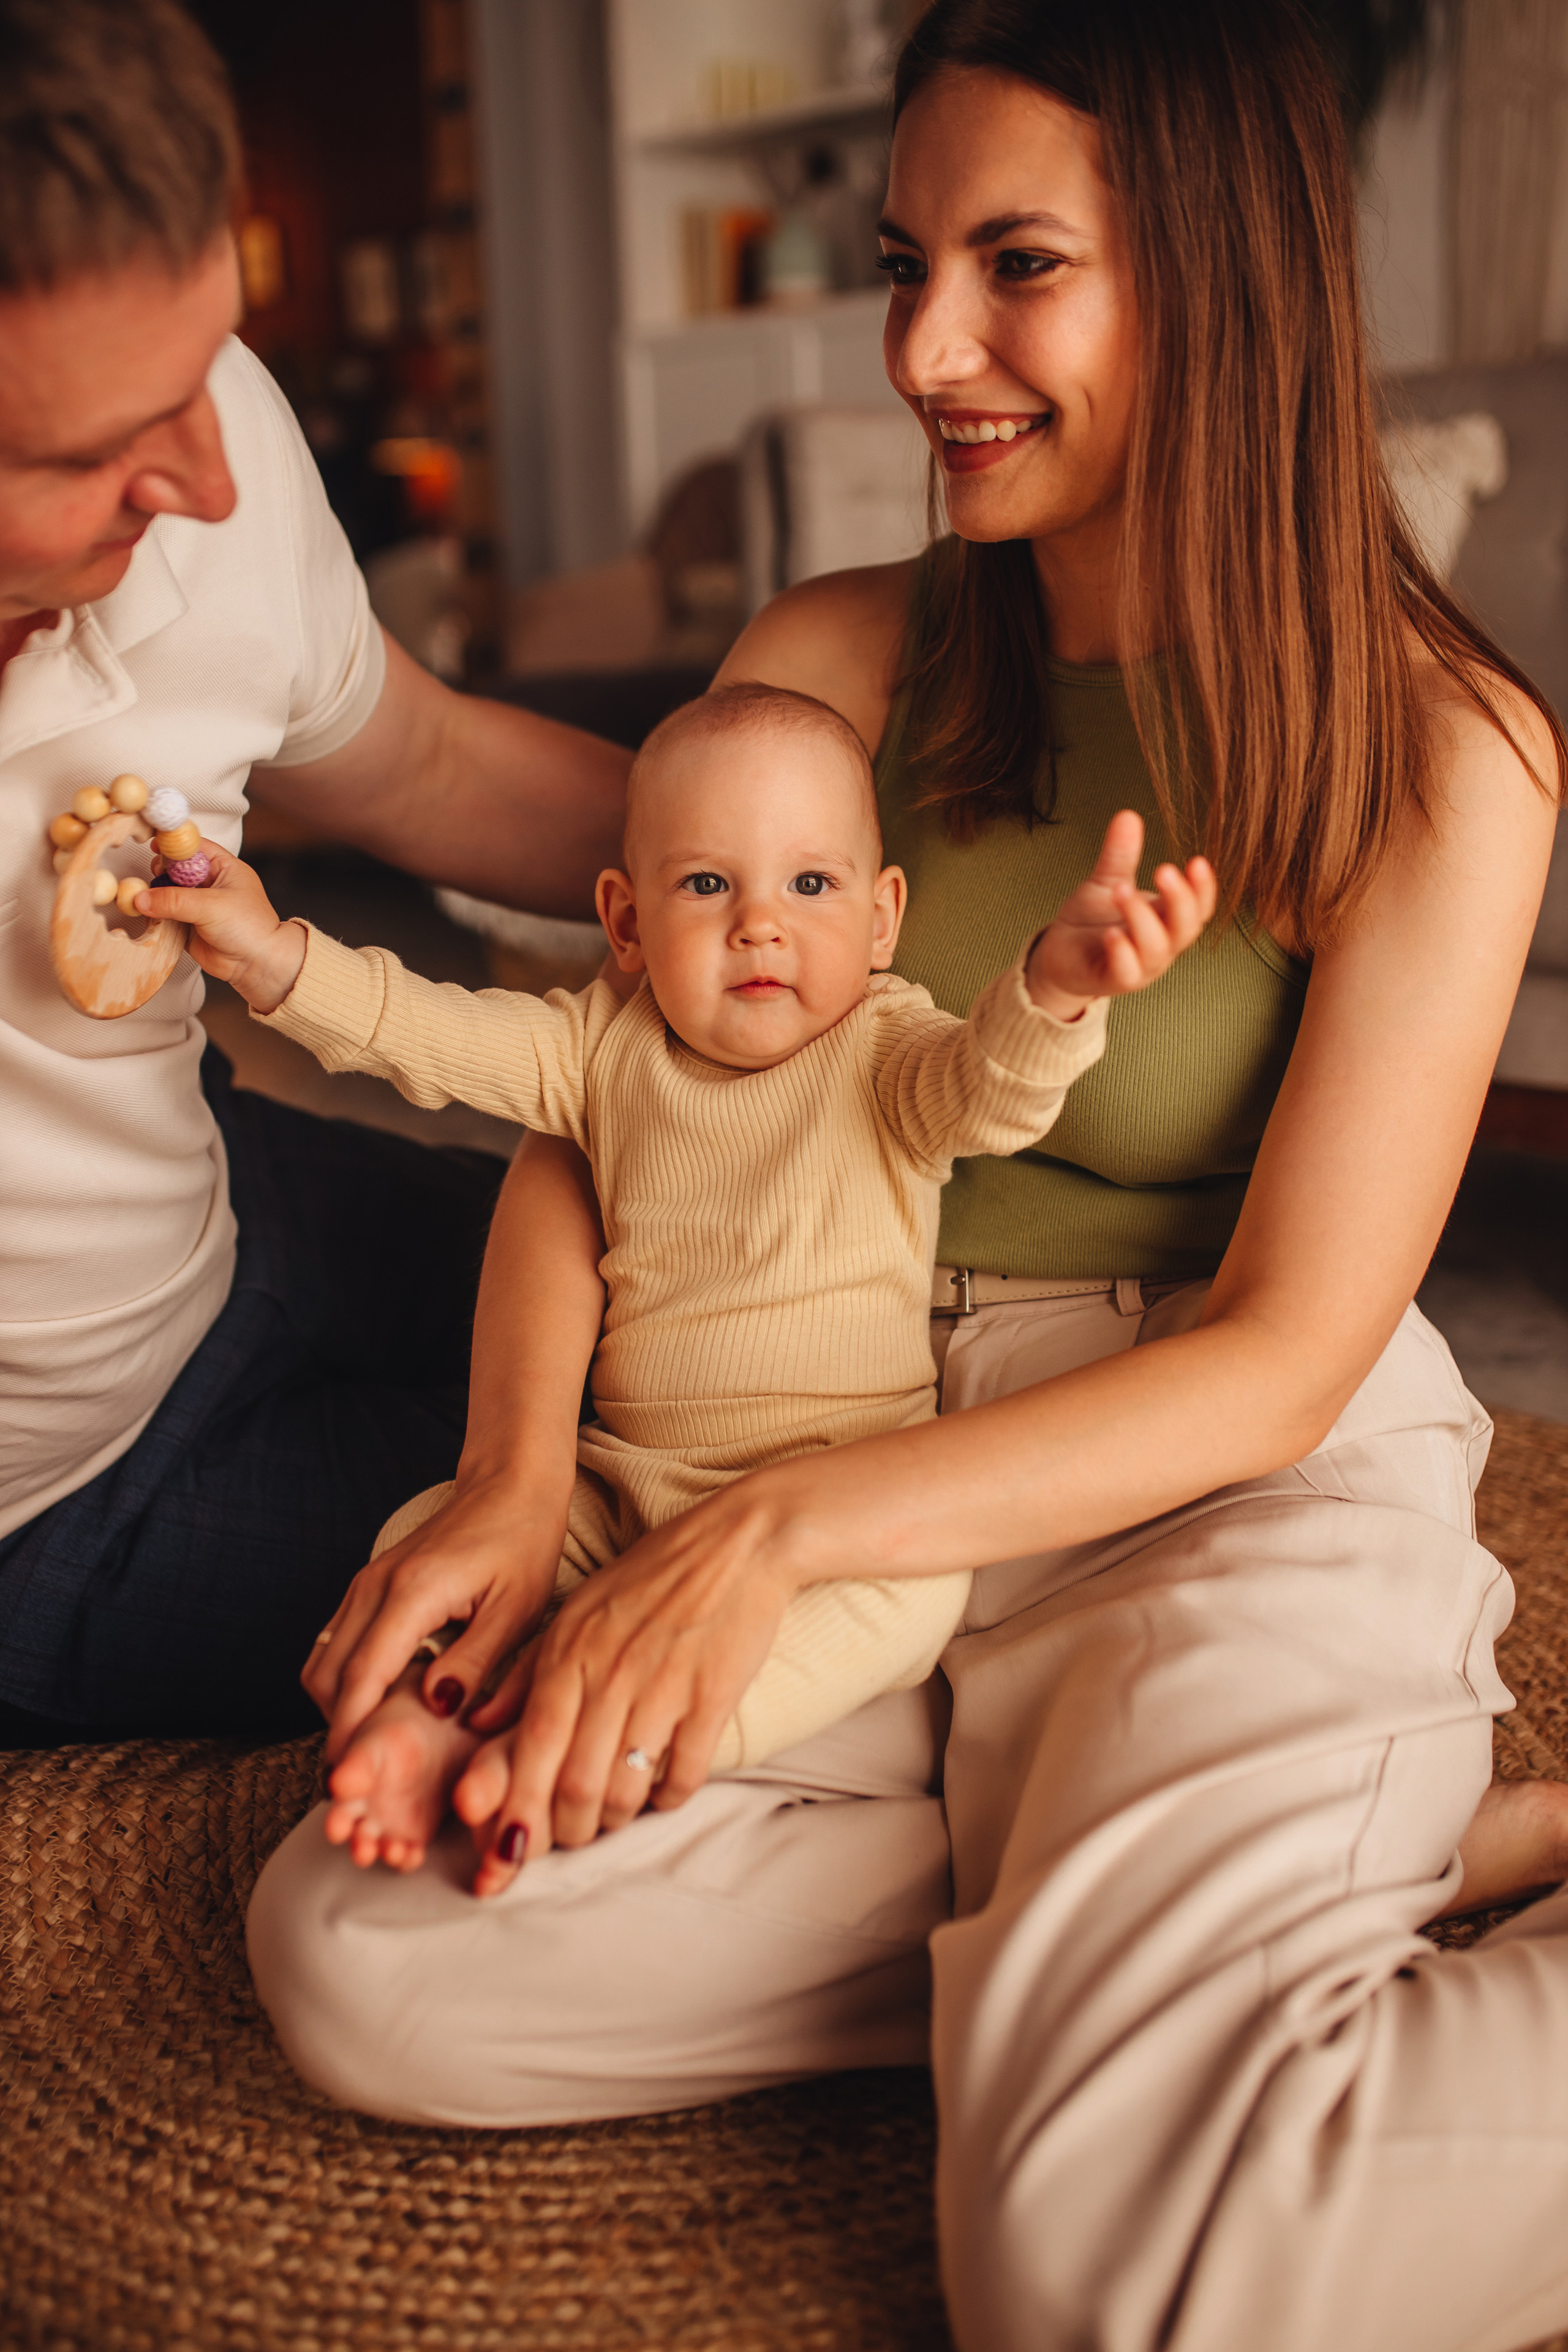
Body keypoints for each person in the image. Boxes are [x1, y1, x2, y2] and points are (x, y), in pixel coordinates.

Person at [248, 5, 1568, 2345]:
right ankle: (1243, 1894)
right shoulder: (827, 666)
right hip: (820, 1414)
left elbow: (1282, 1359)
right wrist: (511, 1469)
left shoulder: (1442, 746)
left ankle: (1185, 1925)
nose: (922, 348)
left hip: (1188, 1474)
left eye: (1017, 264)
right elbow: (603, 1109)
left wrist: (780, 1541)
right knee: (369, 1958)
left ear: (1221, 283)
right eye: (900, 261)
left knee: (1128, 2280)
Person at [152, 676, 1214, 1875]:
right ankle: (426, 1714)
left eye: (809, 886)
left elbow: (995, 1091)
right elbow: (423, 1034)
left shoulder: (887, 1053)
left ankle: (614, 1753)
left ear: (879, 919)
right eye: (707, 885)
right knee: (430, 1528)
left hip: (832, 1499)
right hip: (618, 1484)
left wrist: (1056, 991)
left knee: (905, 1604)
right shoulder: (599, 1050)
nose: (758, 924)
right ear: (624, 922)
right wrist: (265, 952)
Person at [0, 0, 630, 1745]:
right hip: (51, 1511)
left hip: (228, 1199)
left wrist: (817, 868)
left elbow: (419, 763)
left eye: (208, 364)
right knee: (678, 1531)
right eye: (91, 450)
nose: (206, 480)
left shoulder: (200, 441)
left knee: (783, 1340)